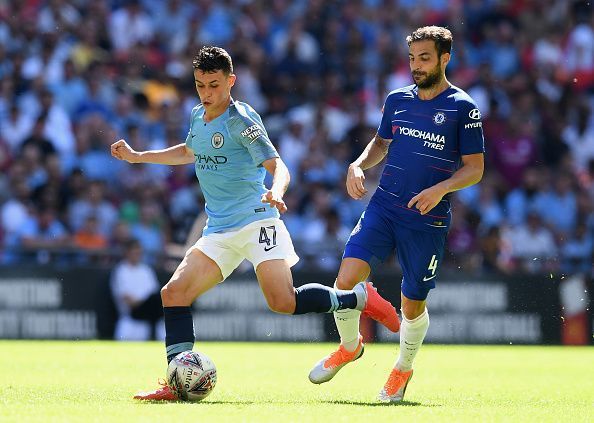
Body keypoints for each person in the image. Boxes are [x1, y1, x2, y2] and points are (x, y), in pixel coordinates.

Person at [110, 46, 399, 401]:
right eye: (200, 85)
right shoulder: (198, 116)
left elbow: (278, 165)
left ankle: (356, 297)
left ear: (231, 81)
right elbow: (189, 152)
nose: (207, 93)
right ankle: (176, 382)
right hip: (218, 229)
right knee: (173, 293)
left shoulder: (241, 121)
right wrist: (140, 157)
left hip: (256, 219)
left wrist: (276, 191)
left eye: (214, 85)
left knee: (282, 301)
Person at [308, 26, 485, 403]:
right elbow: (380, 143)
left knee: (412, 303)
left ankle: (403, 369)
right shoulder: (397, 100)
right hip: (384, 206)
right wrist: (357, 164)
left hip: (426, 218)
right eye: (412, 59)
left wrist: (440, 189)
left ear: (444, 59)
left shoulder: (462, 108)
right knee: (345, 280)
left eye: (424, 58)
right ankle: (350, 346)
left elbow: (475, 169)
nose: (416, 66)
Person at [110, 238, 163, 341]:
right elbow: (129, 301)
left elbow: (156, 296)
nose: (137, 253)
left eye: (139, 251)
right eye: (134, 250)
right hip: (129, 323)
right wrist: (146, 302)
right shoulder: (120, 271)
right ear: (127, 252)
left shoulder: (147, 270)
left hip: (148, 323)